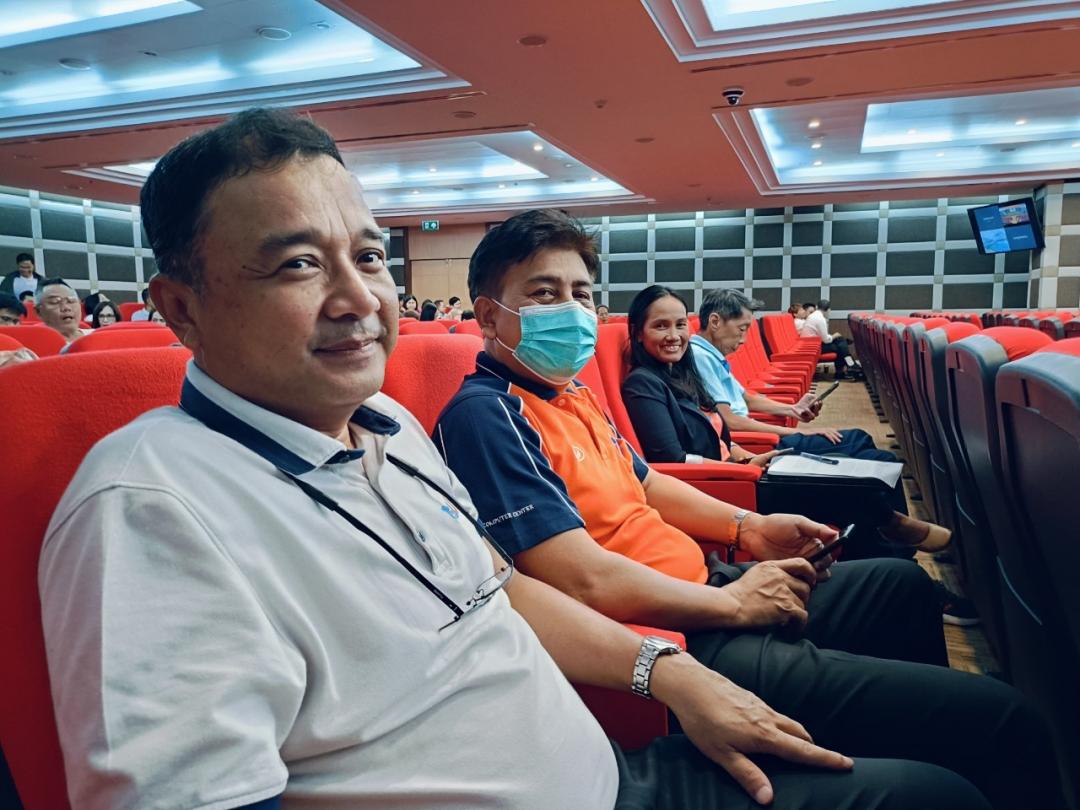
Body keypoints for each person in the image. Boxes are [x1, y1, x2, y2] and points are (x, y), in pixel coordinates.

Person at [40, 108, 892, 810]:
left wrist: (666, 673)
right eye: (298, 265)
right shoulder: (148, 510)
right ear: (181, 308)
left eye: (368, 257)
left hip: (619, 765)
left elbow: (501, 590)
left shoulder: (388, 425)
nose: (359, 298)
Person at [434, 208, 1063, 810]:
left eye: (581, 293)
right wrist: (733, 603)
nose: (571, 310)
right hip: (672, 633)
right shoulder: (488, 415)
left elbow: (649, 485)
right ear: (488, 314)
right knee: (1004, 722)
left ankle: (898, 739)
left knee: (901, 586)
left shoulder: (570, 394)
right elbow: (582, 580)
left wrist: (750, 528)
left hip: (707, 583)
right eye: (545, 294)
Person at [622, 285, 950, 559]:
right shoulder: (643, 384)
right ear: (637, 333)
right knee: (856, 492)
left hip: (741, 468)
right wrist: (740, 467)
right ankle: (893, 536)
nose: (675, 335)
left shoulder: (682, 372)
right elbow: (672, 459)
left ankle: (891, 545)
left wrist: (742, 455)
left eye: (680, 324)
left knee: (859, 471)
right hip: (722, 489)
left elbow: (717, 431)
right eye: (661, 326)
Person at [690, 289, 884, 456]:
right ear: (715, 321)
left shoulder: (711, 355)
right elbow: (730, 421)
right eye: (741, 329)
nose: (744, 339)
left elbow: (746, 399)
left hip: (757, 435)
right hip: (755, 445)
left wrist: (793, 409)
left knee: (864, 448)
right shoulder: (700, 357)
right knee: (860, 441)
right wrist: (797, 433)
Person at [802, 299, 857, 380]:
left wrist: (834, 337)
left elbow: (822, 337)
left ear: (817, 307)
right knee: (841, 347)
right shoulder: (820, 319)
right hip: (813, 347)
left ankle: (850, 365)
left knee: (840, 342)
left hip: (811, 344)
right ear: (828, 310)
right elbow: (826, 340)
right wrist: (835, 335)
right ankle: (849, 366)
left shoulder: (813, 316)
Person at [35, 278, 88, 347]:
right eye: (55, 302)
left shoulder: (96, 335)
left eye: (71, 301)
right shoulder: (36, 346)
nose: (66, 308)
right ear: (38, 312)